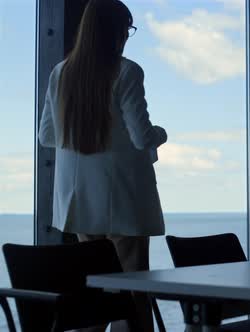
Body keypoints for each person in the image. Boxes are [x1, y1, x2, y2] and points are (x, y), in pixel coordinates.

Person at [38, 1, 166, 331]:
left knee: (96, 290)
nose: (127, 35)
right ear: (115, 30)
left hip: (79, 199)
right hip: (123, 195)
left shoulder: (60, 72)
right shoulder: (127, 71)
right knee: (132, 287)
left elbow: (47, 136)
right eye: (127, 28)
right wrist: (161, 134)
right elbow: (142, 137)